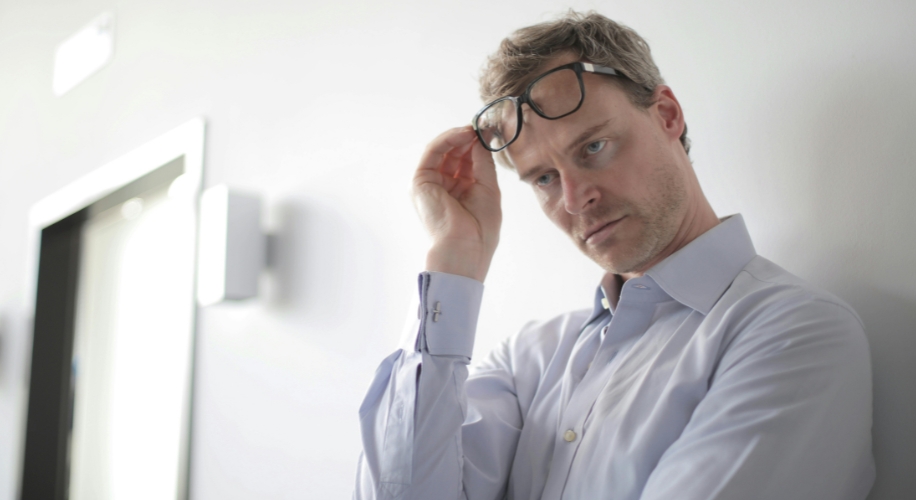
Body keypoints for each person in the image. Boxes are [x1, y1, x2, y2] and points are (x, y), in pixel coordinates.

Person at [354, 11, 874, 500]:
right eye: (544, 178)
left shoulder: (792, 331)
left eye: (594, 148)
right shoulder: (530, 359)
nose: (576, 199)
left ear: (667, 115)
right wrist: (455, 258)